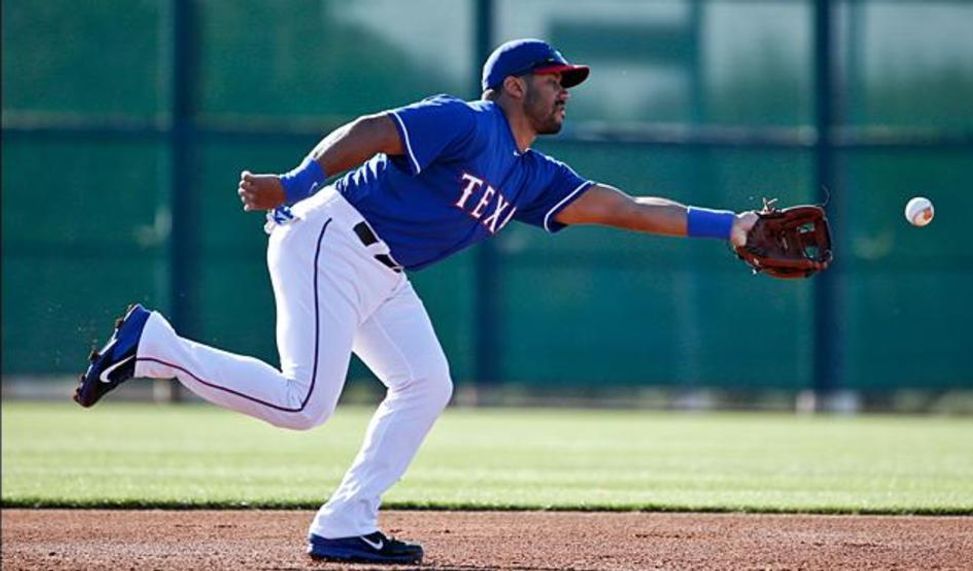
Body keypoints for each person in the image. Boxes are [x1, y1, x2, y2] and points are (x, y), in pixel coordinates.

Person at [75, 38, 763, 565]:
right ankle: (156, 345)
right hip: (331, 234)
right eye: (555, 80)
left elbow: (624, 207)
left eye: (567, 83)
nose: (565, 92)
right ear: (512, 85)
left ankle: (346, 520)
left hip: (381, 267)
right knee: (303, 403)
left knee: (425, 381)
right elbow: (373, 129)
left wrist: (728, 223)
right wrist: (294, 181)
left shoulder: (529, 173)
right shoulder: (466, 122)